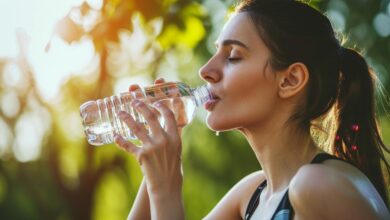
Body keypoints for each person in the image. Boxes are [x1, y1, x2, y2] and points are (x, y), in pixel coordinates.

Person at [113, 0, 390, 219]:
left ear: (290, 80)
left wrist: (166, 189)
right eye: (216, 53)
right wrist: (159, 162)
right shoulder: (254, 194)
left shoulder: (319, 185)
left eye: (233, 56)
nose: (205, 71)